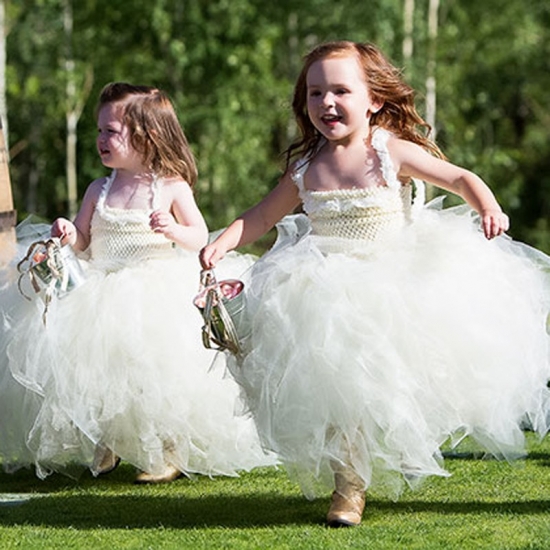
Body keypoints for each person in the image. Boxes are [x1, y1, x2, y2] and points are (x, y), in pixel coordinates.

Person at [199, 41, 550, 527]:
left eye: (341, 90)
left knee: (394, 379)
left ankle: (404, 446)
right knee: (337, 389)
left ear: (374, 100)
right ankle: (349, 487)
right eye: (315, 93)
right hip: (323, 286)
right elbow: (261, 215)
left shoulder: (389, 152)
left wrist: (487, 206)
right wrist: (223, 242)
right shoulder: (306, 169)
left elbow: (460, 177)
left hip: (393, 277)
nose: (327, 103)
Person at [0, 82, 275, 483]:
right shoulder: (100, 188)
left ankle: (168, 450)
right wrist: (67, 233)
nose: (101, 140)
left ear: (146, 137)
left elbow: (200, 236)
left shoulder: (170, 186)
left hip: (153, 289)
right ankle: (106, 441)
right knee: (96, 370)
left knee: (153, 375)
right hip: (102, 285)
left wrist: (173, 230)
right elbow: (84, 239)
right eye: (98, 131)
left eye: (111, 131)